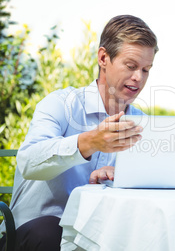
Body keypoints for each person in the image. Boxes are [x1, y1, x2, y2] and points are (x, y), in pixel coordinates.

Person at [0, 14, 158, 250]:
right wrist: (89, 142)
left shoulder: (141, 123)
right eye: (131, 66)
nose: (139, 78)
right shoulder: (60, 104)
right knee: (52, 231)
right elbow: (28, 162)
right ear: (103, 58)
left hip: (98, 239)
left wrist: (122, 177)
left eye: (146, 69)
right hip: (36, 235)